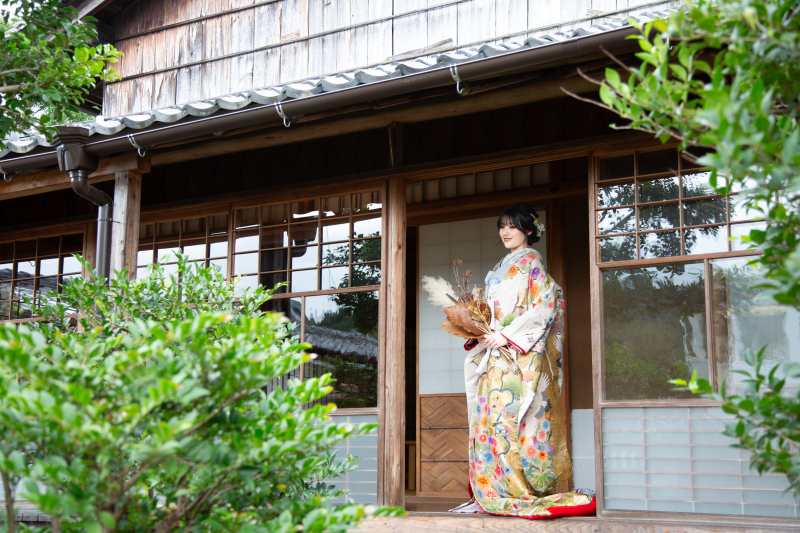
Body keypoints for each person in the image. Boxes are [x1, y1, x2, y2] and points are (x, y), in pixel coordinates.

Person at [450, 202, 596, 519]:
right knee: (489, 422)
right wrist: (480, 331)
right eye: (502, 226)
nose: (505, 231)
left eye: (513, 226)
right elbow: (493, 313)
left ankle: (517, 490)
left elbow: (544, 307)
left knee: (512, 424)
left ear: (529, 230)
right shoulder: (500, 268)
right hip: (496, 359)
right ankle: (491, 491)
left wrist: (507, 336)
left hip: (516, 357)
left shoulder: (532, 264)